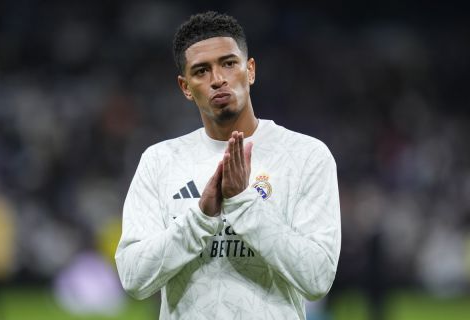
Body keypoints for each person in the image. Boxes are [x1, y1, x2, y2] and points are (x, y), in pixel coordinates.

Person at [115, 11, 341, 320]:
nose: (218, 79)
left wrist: (244, 205)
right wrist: (201, 217)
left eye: (229, 63)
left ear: (250, 70)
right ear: (185, 87)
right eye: (201, 70)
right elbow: (134, 278)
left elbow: (317, 278)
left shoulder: (306, 156)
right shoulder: (160, 161)